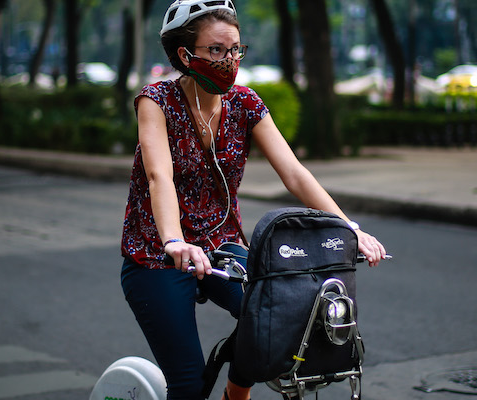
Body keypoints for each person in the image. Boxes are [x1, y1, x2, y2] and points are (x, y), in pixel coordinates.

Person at [119, 1, 387, 399]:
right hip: (158, 253)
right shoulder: (155, 101)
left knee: (284, 317)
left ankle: (235, 394)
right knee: (189, 384)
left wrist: (346, 227)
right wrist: (174, 241)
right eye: (216, 50)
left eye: (236, 49)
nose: (229, 59)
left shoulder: (245, 104)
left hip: (224, 248)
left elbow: (294, 172)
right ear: (184, 54)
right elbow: (161, 177)